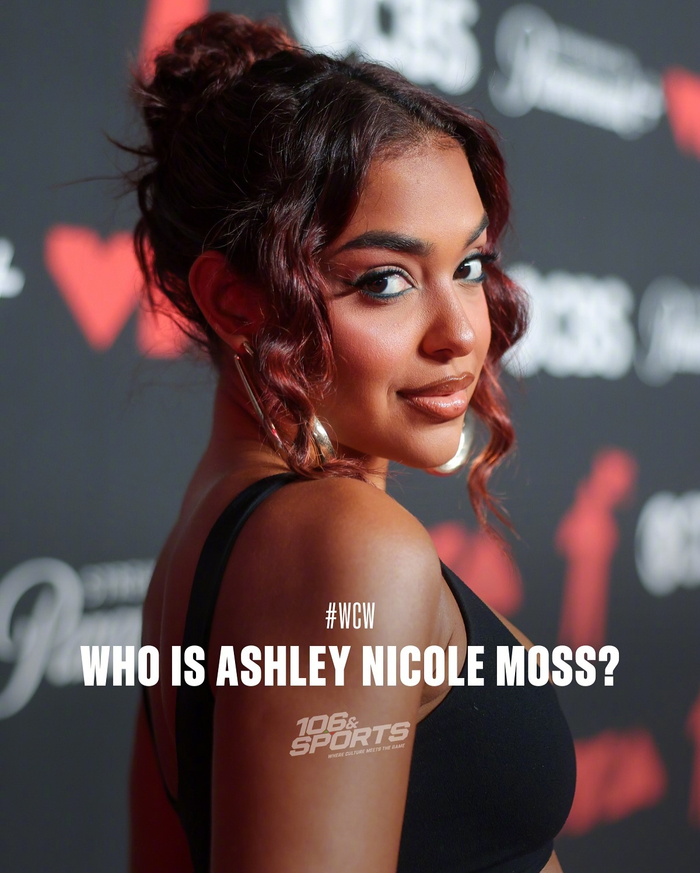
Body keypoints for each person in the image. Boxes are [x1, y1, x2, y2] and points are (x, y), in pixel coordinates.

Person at [127, 12, 576, 873]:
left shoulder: (210, 535)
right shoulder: (344, 544)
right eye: (384, 281)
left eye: (469, 266)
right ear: (236, 303)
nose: (461, 333)